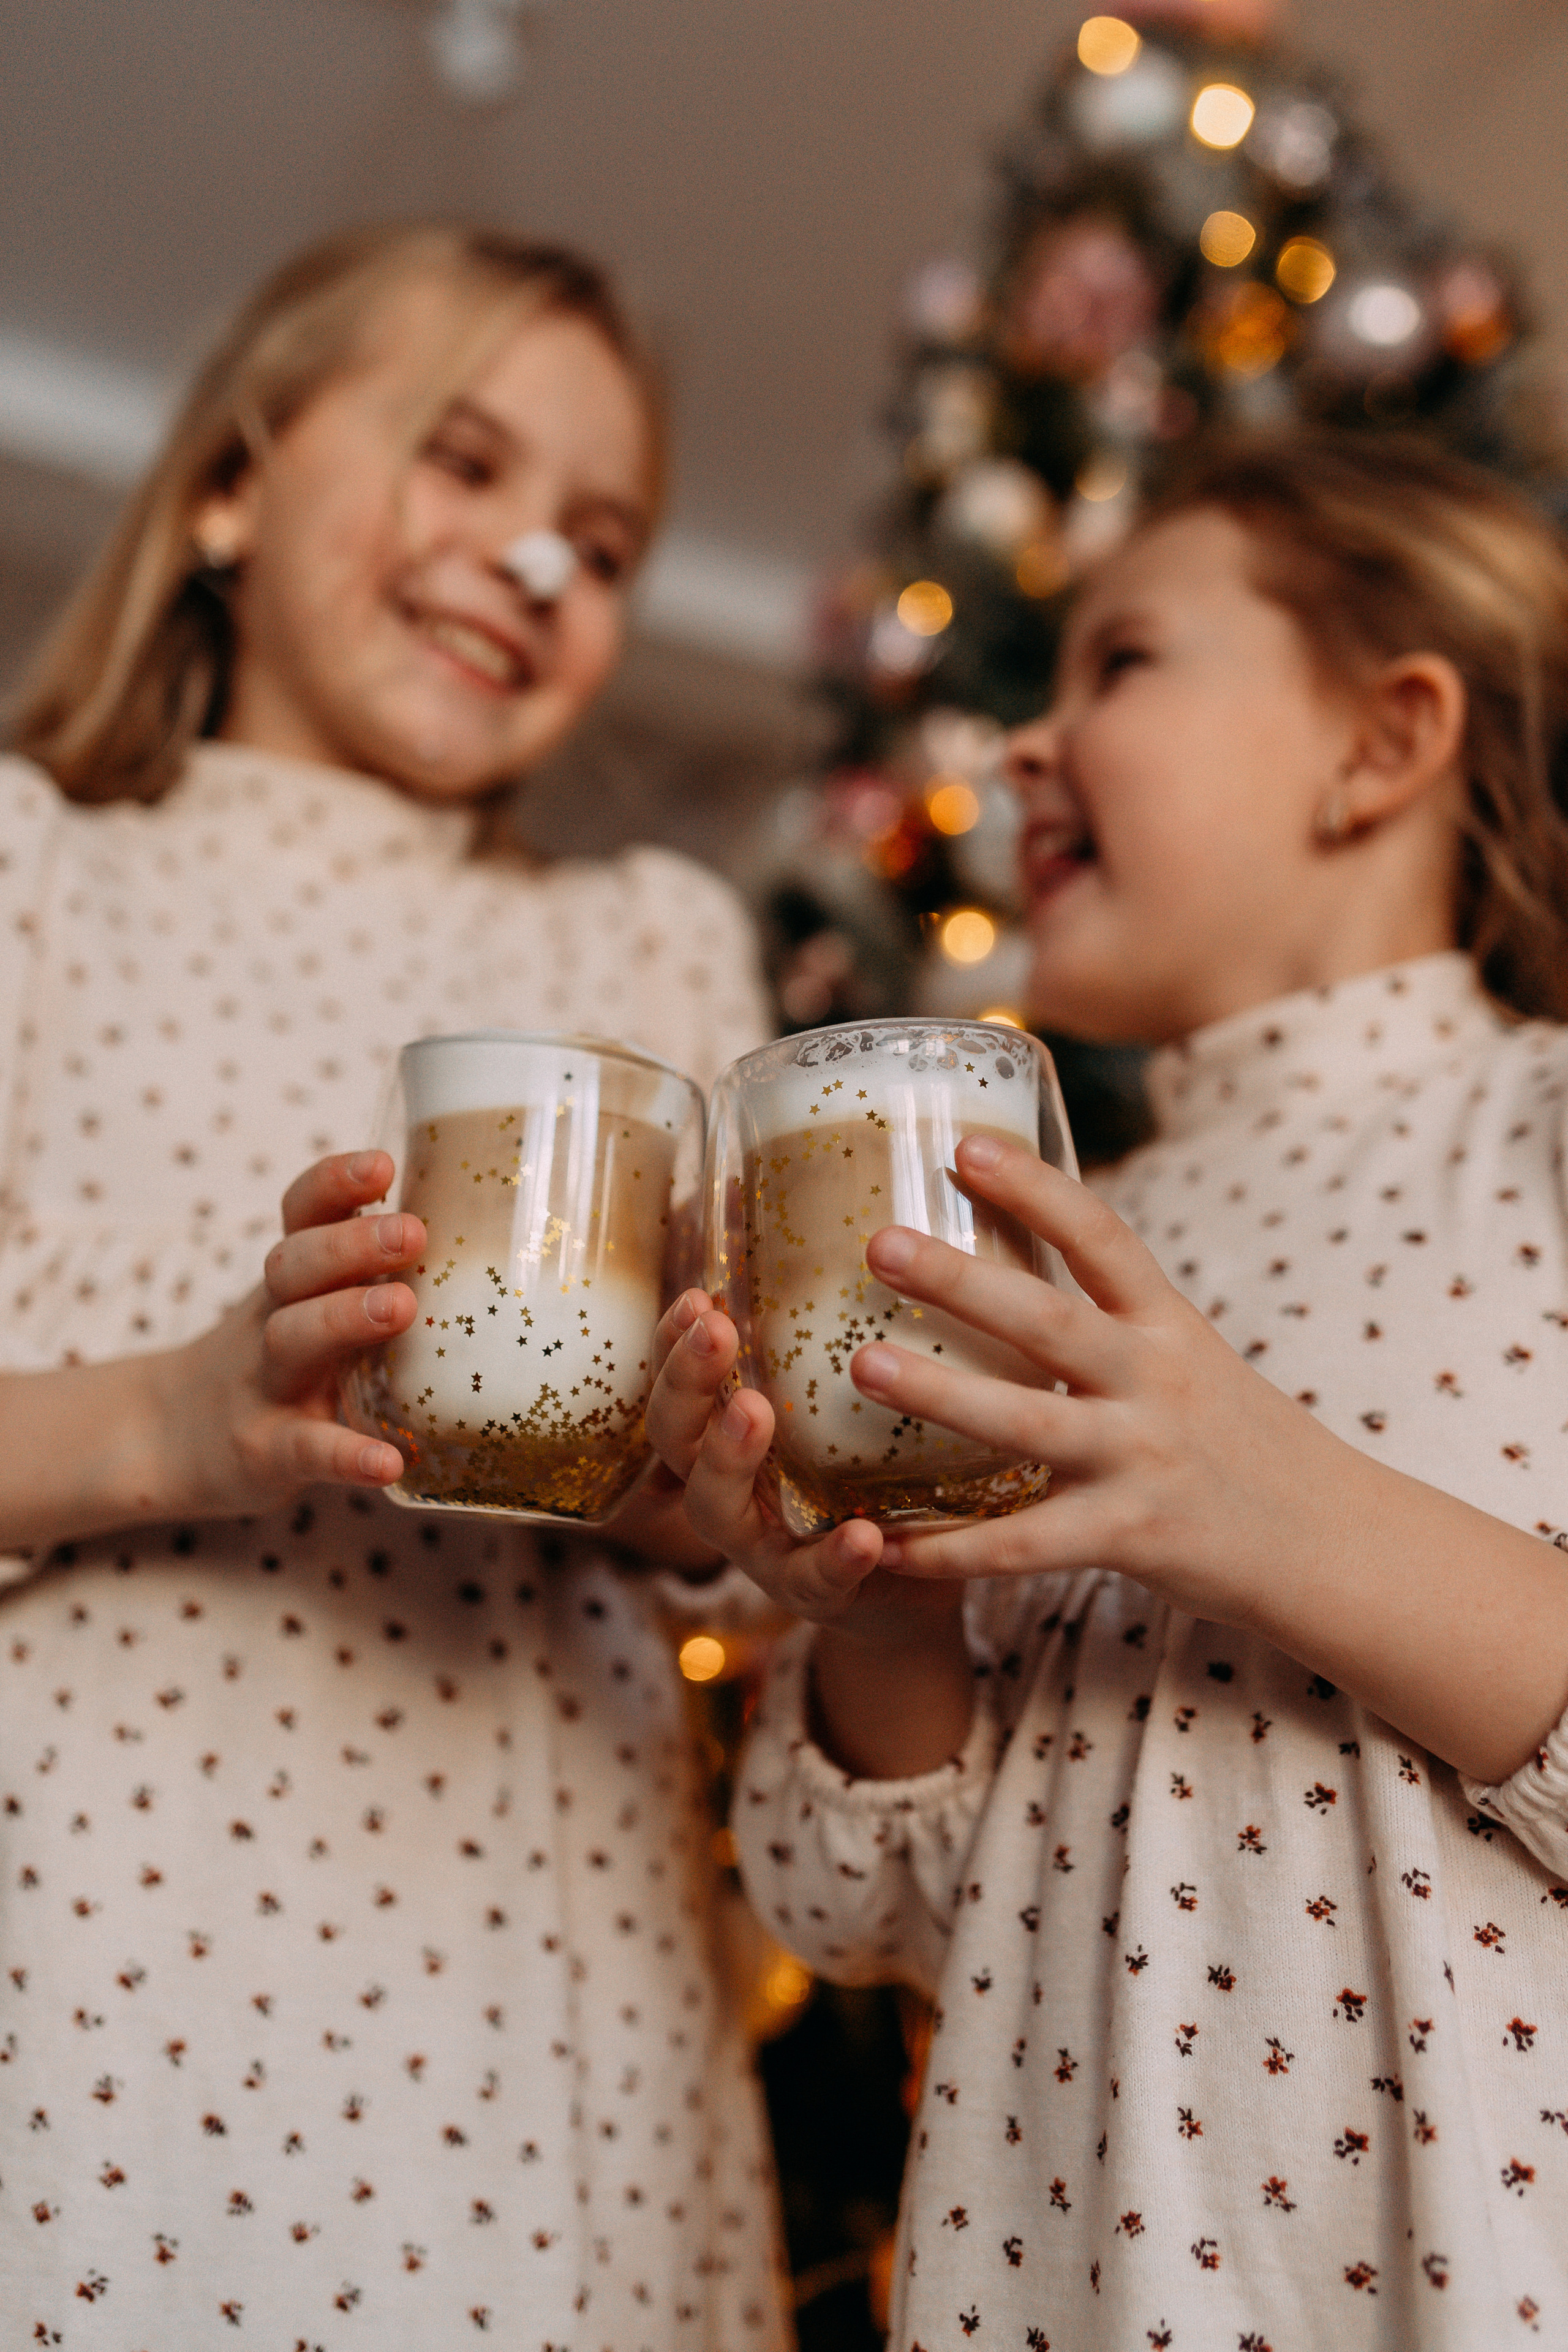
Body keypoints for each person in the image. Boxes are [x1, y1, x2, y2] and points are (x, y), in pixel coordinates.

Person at [650, 434, 1568, 2347]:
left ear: (1386, 740)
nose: (1023, 749)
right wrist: (893, 1619)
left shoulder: (1535, 1129)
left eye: (1124, 664)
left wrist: (1266, 1502)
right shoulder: (1062, 1252)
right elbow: (889, 1913)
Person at [0, 222, 788, 2347]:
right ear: (233, 487)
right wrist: (179, 1417)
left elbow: (712, 1513)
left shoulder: (646, 944)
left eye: (607, 542)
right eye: (465, 465)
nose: (535, 567)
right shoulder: (30, 874)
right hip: (89, 1977)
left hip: (540, 2018)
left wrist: (693, 1494)